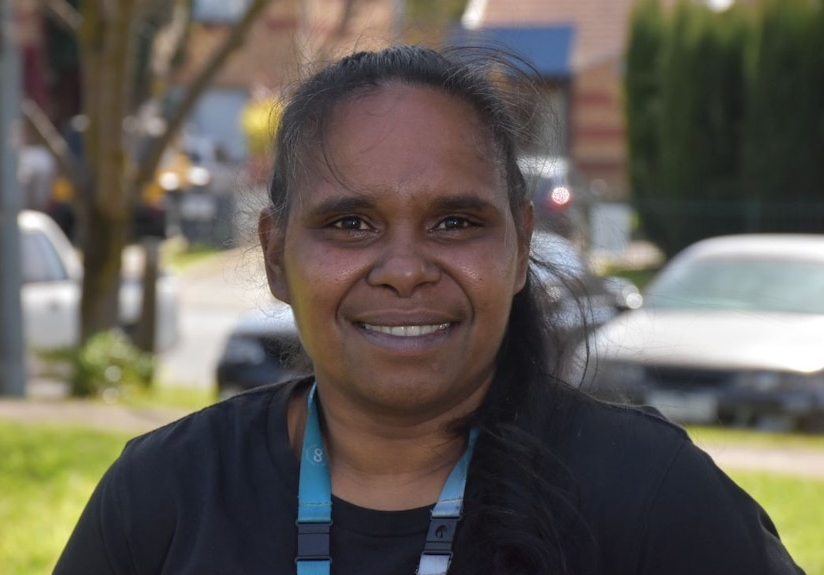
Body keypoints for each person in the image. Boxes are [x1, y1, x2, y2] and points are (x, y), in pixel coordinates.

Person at [54, 45, 805, 575]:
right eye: (350, 224)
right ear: (277, 256)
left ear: (519, 247)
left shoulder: (652, 497)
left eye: (456, 222)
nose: (406, 271)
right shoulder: (162, 497)